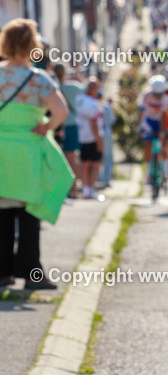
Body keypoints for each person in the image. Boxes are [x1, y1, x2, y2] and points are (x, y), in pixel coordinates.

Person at [0, 19, 73, 291]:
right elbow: (61, 112)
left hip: (1, 151)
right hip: (28, 150)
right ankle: (32, 274)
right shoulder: (38, 80)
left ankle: (3, 272)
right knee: (29, 213)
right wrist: (45, 127)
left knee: (3, 215)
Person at [52, 63, 84, 198]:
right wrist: (77, 72)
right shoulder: (72, 87)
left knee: (58, 159)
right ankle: (72, 188)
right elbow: (87, 87)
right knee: (71, 159)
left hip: (56, 126)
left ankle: (64, 189)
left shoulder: (51, 87)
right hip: (71, 126)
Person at [75, 78, 105, 201]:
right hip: (93, 137)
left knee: (84, 165)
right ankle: (90, 191)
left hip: (82, 136)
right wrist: (99, 141)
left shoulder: (80, 100)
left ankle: (86, 190)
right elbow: (94, 124)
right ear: (94, 89)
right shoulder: (92, 104)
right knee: (95, 165)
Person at [138, 75, 168, 183]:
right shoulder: (145, 95)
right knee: (147, 144)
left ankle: (166, 169)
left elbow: (163, 115)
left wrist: (163, 131)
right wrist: (140, 127)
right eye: (156, 94)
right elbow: (141, 112)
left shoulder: (166, 98)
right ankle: (148, 172)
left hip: (159, 121)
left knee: (163, 144)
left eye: (160, 94)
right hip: (148, 121)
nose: (158, 96)